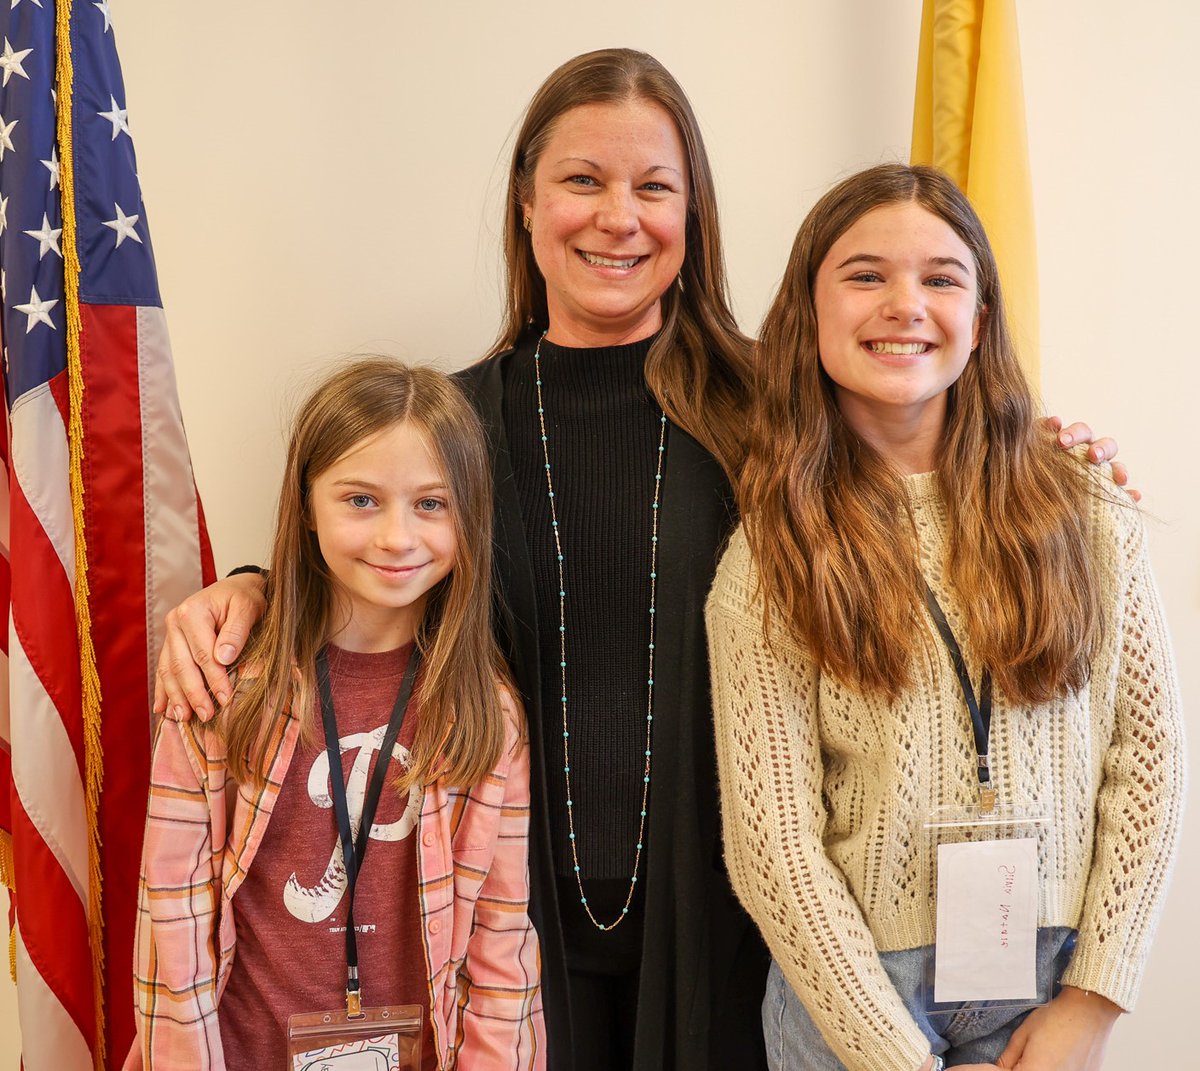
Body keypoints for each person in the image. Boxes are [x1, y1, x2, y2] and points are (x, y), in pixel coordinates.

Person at [150, 52, 1128, 1071]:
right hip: (496, 936)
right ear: (526, 200)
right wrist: (250, 591)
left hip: (747, 944)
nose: (618, 217)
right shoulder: (452, 426)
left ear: (691, 215)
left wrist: (1066, 463)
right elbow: (368, 560)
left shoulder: (783, 421)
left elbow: (936, 478)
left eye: (654, 188)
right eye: (582, 181)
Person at [706, 164, 1185, 1071]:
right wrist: (896, 1056)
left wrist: (1092, 1000)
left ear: (982, 316)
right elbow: (775, 844)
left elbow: (1150, 766)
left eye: (940, 277)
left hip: (1053, 981)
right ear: (807, 312)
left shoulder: (1083, 509)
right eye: (864, 275)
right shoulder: (771, 556)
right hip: (850, 998)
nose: (904, 304)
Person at [127, 360, 544, 1070]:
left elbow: (499, 947)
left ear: (468, 516)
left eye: (431, 504)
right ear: (306, 503)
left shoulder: (485, 712)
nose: (396, 536)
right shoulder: (221, 686)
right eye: (360, 499)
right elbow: (173, 925)